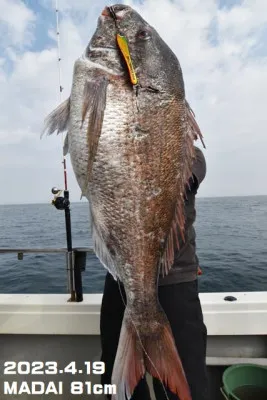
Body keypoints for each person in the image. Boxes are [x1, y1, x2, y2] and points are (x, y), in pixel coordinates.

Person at [100, 146, 209, 400]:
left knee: (184, 388)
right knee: (114, 382)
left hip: (175, 284)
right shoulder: (113, 151)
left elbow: (154, 183)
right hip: (120, 278)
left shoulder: (193, 158)